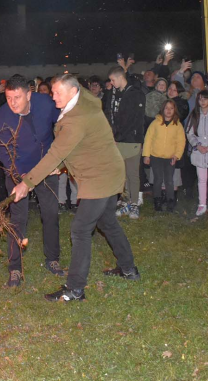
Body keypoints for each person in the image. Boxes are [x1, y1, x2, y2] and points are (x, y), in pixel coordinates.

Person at [11, 74, 139, 302]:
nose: (53, 96)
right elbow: (74, 149)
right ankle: (129, 270)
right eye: (52, 92)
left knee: (80, 229)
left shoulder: (76, 118)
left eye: (58, 92)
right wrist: (59, 168)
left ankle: (75, 288)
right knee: (107, 221)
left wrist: (26, 183)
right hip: (108, 171)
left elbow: (57, 152)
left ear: (73, 91)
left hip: (100, 177)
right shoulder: (85, 101)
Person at [0, 76, 63, 287]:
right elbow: (5, 152)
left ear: (29, 94)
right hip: (18, 171)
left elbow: (64, 124)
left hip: (46, 169)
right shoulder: (3, 117)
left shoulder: (45, 103)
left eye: (17, 97)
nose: (12, 103)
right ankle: (15, 268)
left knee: (50, 213)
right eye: (8, 97)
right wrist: (18, 174)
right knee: (17, 219)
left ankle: (52, 259)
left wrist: (60, 157)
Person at [103, 67, 146, 218]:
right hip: (119, 140)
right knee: (123, 174)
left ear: (120, 77)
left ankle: (134, 204)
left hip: (131, 139)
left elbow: (134, 119)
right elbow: (112, 114)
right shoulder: (116, 93)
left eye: (113, 80)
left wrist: (120, 135)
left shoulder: (135, 93)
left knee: (133, 173)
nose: (111, 83)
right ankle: (126, 202)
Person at [142, 100, 185, 212]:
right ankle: (157, 201)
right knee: (157, 179)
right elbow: (148, 139)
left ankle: (171, 201)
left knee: (169, 180)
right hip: (156, 156)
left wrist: (177, 155)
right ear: (162, 109)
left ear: (174, 110)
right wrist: (146, 155)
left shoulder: (178, 125)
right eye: (166, 108)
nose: (169, 110)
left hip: (170, 157)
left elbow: (181, 142)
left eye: (171, 108)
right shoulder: (155, 123)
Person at [186, 91, 208, 217]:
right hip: (199, 152)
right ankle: (202, 204)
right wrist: (197, 145)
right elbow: (190, 133)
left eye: (205, 99)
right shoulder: (194, 115)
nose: (203, 101)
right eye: (200, 99)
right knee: (201, 179)